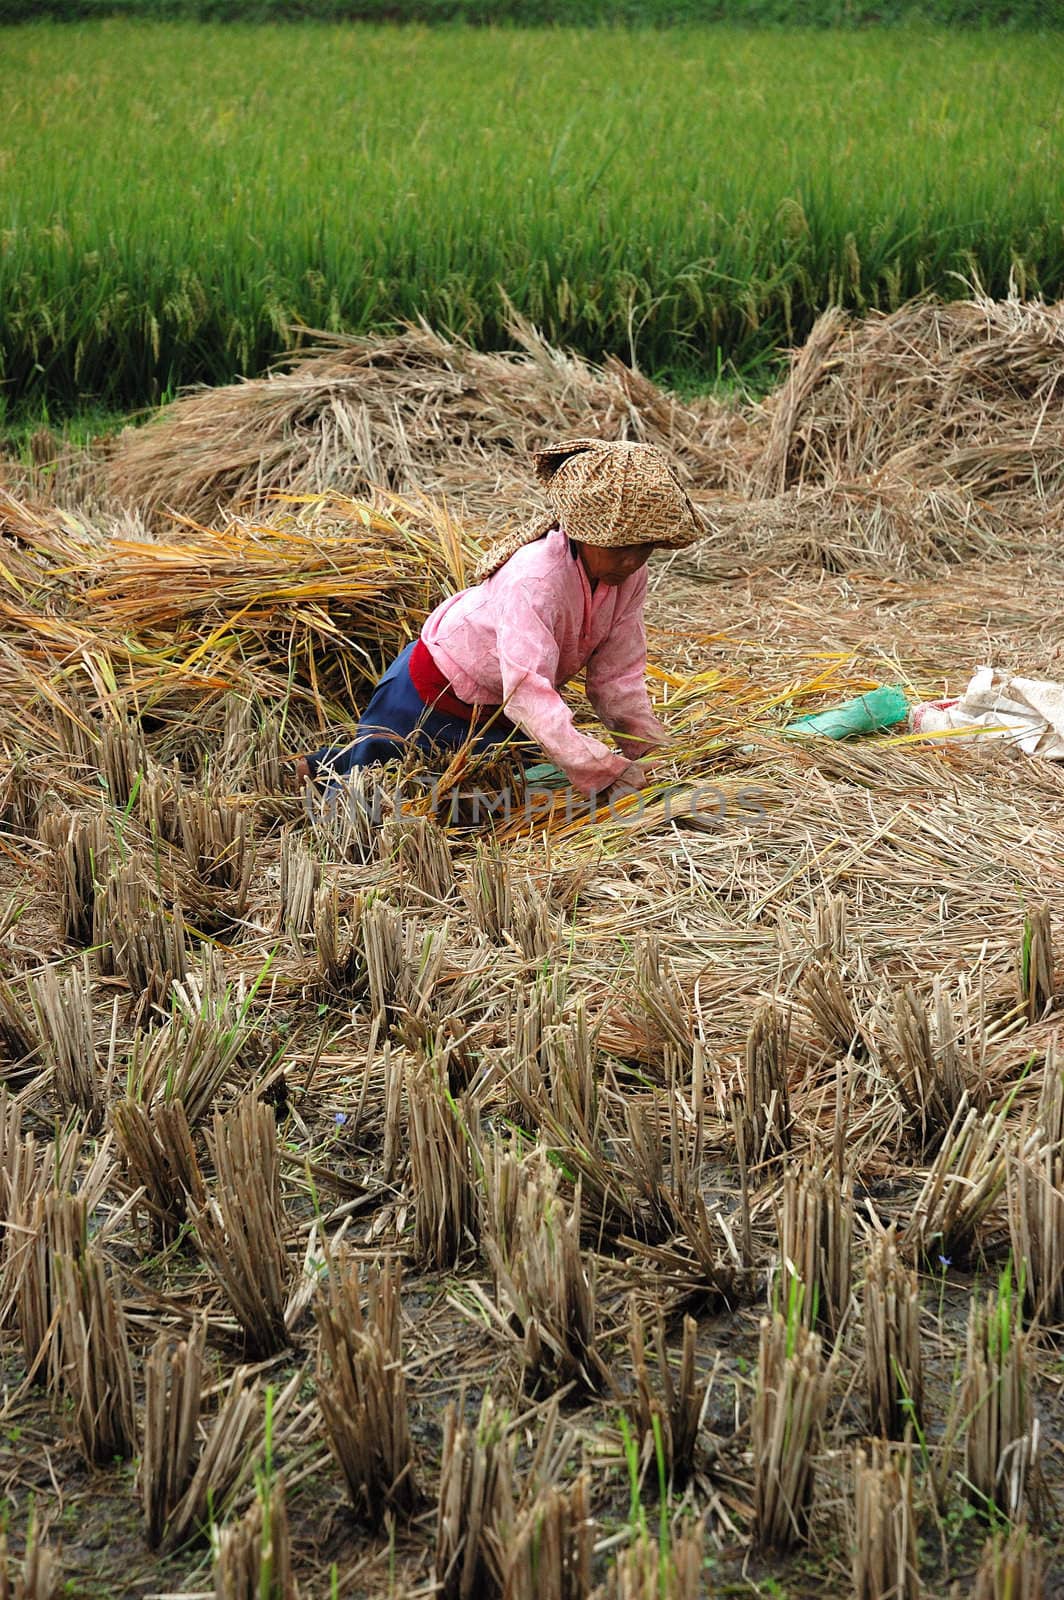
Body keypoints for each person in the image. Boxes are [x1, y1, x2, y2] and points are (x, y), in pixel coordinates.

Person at [297, 437, 704, 803]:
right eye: (621, 547)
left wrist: (647, 749)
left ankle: (318, 768)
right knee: (372, 782)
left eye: (646, 547)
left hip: (498, 708)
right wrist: (600, 768)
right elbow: (527, 689)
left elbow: (618, 675)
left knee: (482, 794)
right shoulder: (536, 578)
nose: (633, 560)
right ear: (583, 531)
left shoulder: (627, 578)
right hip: (430, 691)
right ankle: (313, 776)